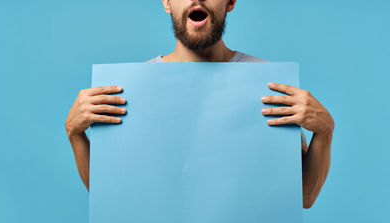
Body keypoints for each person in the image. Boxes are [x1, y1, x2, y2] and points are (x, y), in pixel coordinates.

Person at [65, 0, 335, 209]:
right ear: (167, 2)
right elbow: (112, 199)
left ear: (230, 2)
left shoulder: (267, 85)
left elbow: (303, 197)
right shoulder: (130, 91)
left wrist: (324, 133)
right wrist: (75, 135)